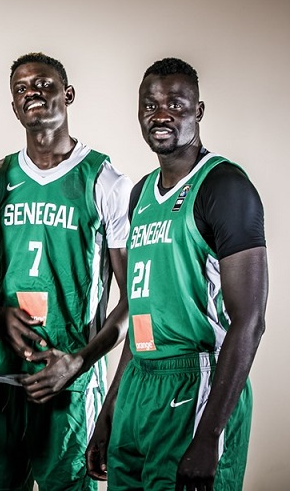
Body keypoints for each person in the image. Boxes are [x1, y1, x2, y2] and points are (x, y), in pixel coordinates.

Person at [85, 58, 268, 490]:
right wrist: (110, 410)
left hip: (196, 381)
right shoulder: (140, 194)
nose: (160, 113)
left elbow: (251, 322)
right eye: (149, 104)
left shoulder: (224, 187)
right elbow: (139, 314)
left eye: (175, 103)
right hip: (139, 383)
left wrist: (209, 436)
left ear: (199, 111)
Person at [0, 53, 131, 491]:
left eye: (44, 84)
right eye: (21, 89)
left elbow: (134, 300)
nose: (32, 92)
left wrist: (78, 362)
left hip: (70, 380)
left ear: (67, 94)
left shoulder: (104, 179)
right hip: (1, 374)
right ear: (14, 107)